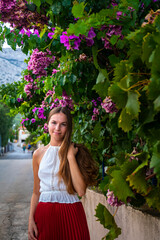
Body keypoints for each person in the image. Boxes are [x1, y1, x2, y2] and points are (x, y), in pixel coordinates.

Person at [28, 106, 98, 240]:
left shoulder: (76, 152)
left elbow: (81, 190)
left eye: (63, 124)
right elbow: (36, 191)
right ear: (47, 124)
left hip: (72, 213)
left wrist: (70, 156)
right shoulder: (38, 154)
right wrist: (30, 220)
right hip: (45, 213)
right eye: (54, 122)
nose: (57, 128)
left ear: (68, 128)